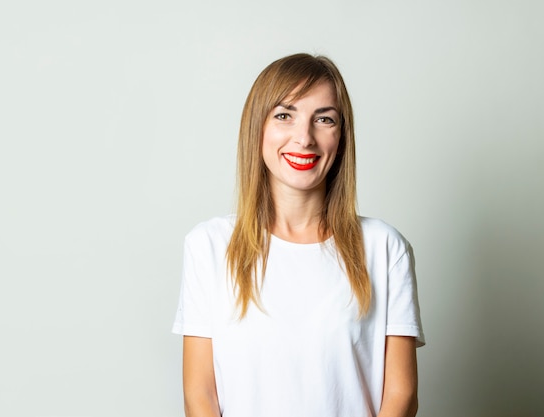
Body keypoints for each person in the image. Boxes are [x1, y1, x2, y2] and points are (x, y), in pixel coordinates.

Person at [172, 53, 425, 417]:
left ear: (341, 137)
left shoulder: (384, 248)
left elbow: (401, 396)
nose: (304, 138)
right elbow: (200, 397)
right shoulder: (208, 246)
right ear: (256, 127)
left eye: (324, 119)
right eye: (284, 115)